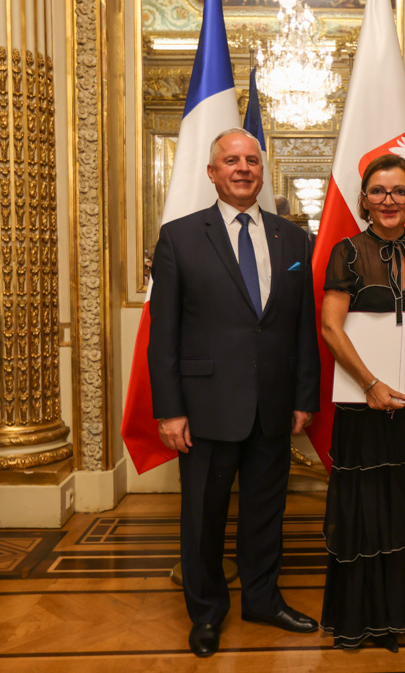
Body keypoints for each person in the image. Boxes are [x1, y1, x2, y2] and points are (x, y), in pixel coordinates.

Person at [148, 129, 320, 658]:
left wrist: (304, 396)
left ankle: (263, 600)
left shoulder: (293, 239)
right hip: (205, 407)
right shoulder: (179, 237)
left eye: (251, 160)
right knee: (204, 516)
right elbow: (163, 333)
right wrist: (170, 410)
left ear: (261, 171)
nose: (243, 168)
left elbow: (302, 326)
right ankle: (206, 612)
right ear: (212, 172)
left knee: (266, 513)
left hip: (273, 405)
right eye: (231, 160)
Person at [318, 154, 405, 652]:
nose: (389, 200)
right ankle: (371, 615)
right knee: (371, 510)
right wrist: (371, 383)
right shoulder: (347, 253)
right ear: (364, 199)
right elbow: (330, 327)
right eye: (378, 191)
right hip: (365, 407)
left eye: (399, 191)